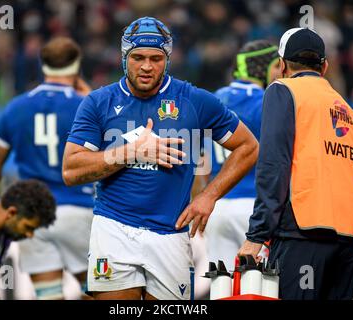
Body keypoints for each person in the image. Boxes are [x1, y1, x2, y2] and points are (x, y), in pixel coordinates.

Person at [62, 16, 258, 300]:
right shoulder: (98, 102)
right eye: (137, 57)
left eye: (155, 58)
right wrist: (131, 152)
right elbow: (71, 170)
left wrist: (209, 196)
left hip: (171, 233)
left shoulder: (195, 100)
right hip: (114, 228)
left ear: (167, 60)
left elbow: (248, 146)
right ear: (123, 57)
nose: (145, 66)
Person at [237, 28, 353, 300]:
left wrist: (257, 234)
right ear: (325, 66)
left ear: (282, 65)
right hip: (350, 237)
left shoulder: (283, 90)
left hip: (303, 232)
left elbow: (274, 164)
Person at [0, 37, 94, 300]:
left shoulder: (16, 107)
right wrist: (89, 93)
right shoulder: (85, 105)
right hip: (79, 208)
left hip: (32, 217)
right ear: (77, 68)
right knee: (99, 292)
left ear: (42, 66)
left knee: (48, 295)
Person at [203, 40, 280, 273]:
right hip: (253, 208)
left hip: (216, 206)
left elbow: (200, 160)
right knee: (260, 283)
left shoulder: (213, 99)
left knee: (221, 282)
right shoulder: (270, 101)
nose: (280, 74)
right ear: (264, 68)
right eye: (277, 67)